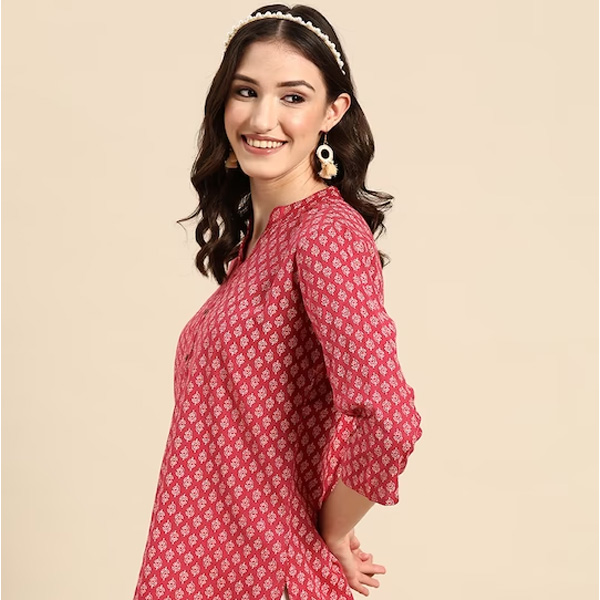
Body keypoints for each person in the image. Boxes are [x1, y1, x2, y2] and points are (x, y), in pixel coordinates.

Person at [132, 5, 423, 600]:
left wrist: (331, 530)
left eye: (293, 97)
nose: (262, 118)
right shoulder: (258, 245)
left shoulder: (325, 235)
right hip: (205, 568)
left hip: (264, 576)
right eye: (247, 91)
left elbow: (388, 417)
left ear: (332, 112)